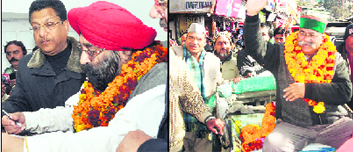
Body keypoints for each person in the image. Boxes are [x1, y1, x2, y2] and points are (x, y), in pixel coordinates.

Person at [1, 1, 168, 152]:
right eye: (82, 50)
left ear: (123, 51)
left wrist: (24, 146)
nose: (83, 59)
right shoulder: (105, 77)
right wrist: (27, 120)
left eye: (91, 51)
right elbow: (73, 114)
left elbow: (115, 139)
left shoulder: (158, 80)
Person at [244, 0, 353, 151]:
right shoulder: (281, 53)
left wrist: (306, 90)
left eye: (312, 35)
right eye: (302, 33)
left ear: (322, 38)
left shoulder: (335, 58)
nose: (305, 39)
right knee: (272, 143)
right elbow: (256, 48)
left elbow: (345, 92)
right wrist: (252, 16)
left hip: (333, 125)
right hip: (293, 126)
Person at [1, 0, 86, 123]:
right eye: (36, 27)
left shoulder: (88, 60)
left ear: (66, 25)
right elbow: (18, 102)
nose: (41, 33)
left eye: (49, 24)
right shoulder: (26, 65)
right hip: (39, 138)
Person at [171, 23, 224, 151]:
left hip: (205, 125)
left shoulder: (214, 61)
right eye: (191, 38)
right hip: (181, 126)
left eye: (199, 39)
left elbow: (219, 85)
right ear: (185, 39)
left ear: (205, 42)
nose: (194, 42)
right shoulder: (175, 56)